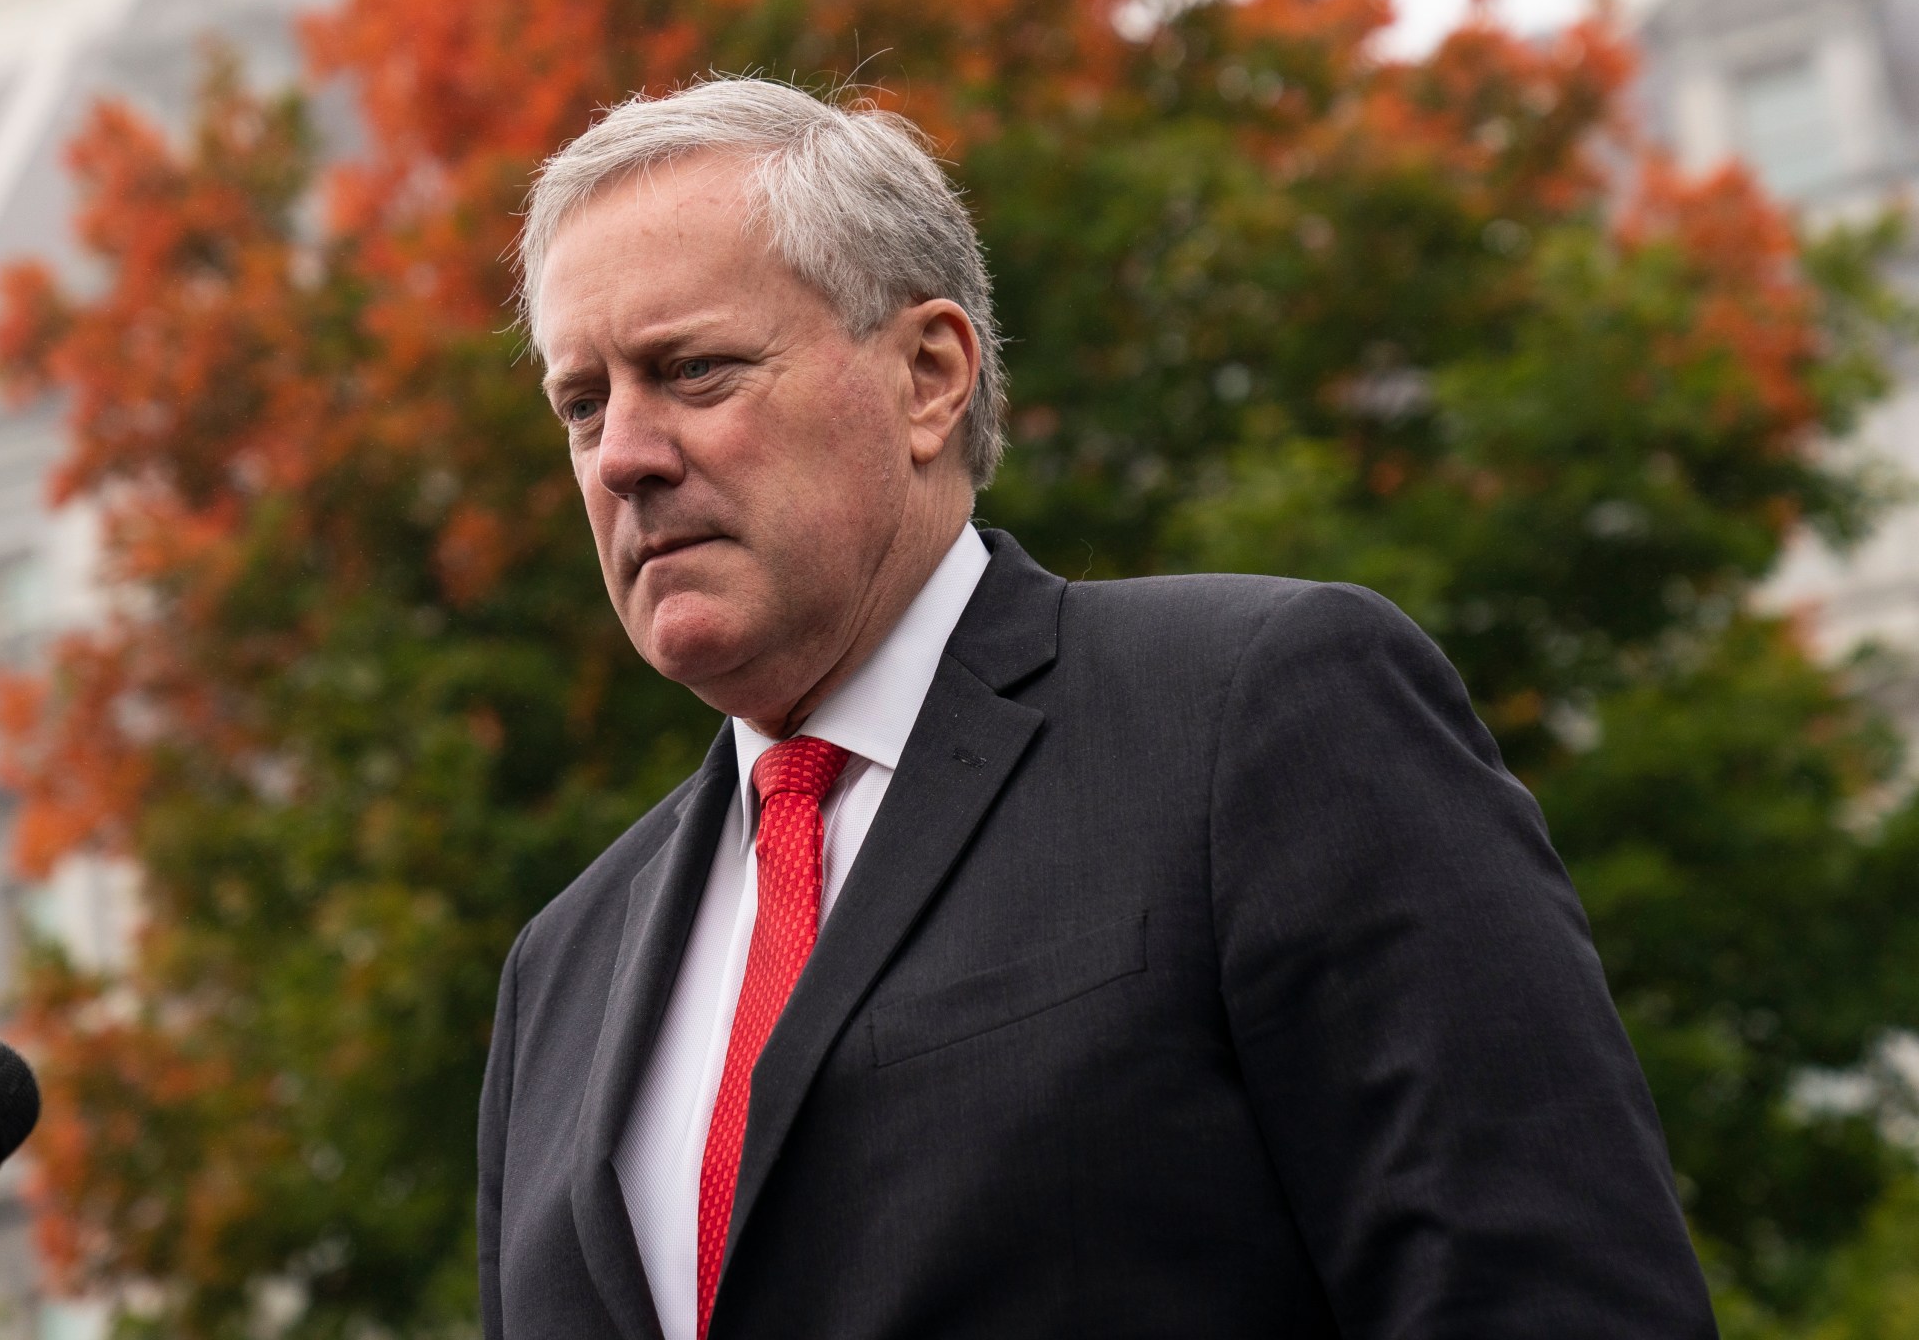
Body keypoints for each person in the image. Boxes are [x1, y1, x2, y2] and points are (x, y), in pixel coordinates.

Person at [477, 77, 1714, 1340]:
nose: (623, 452)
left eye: (693, 370)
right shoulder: (559, 971)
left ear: (927, 374)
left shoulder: (1253, 716)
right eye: (583, 404)